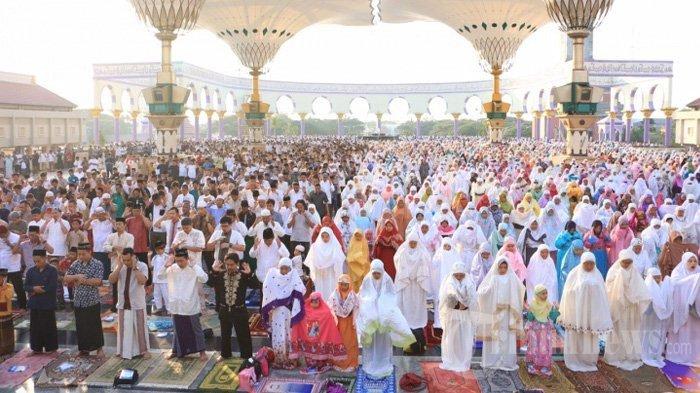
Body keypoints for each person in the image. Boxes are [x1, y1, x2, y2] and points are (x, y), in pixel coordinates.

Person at [357, 260, 415, 378]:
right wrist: (371, 305)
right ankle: (370, 364)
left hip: (384, 320)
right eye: (374, 273)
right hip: (371, 320)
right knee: (371, 343)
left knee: (383, 342)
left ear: (382, 272)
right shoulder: (367, 280)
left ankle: (383, 363)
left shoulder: (387, 280)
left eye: (379, 273)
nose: (376, 275)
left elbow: (392, 297)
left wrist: (383, 308)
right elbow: (362, 297)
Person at [558, 251, 613, 372]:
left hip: (591, 314)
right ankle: (574, 360)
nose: (589, 266)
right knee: (576, 336)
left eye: (591, 264)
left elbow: (603, 297)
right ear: (582, 263)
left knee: (589, 337)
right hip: (576, 314)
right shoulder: (574, 274)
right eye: (586, 264)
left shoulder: (598, 276)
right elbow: (567, 294)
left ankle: (588, 361)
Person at [157, 248, 209, 361]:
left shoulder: (194, 268)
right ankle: (176, 350)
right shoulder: (172, 268)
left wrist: (194, 265)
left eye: (182, 260)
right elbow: (159, 277)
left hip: (190, 305)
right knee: (177, 329)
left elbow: (204, 279)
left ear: (187, 259)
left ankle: (202, 352)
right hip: (176, 304)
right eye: (177, 260)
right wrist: (166, 265)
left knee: (196, 329)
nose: (179, 263)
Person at [476, 256, 525, 371]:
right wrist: (481, 294)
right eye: (501, 267)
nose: (502, 269)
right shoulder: (493, 278)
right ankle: (493, 360)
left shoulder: (512, 278)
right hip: (495, 313)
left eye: (504, 267)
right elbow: (484, 291)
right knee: (495, 335)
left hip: (508, 313)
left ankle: (507, 361)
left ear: (508, 267)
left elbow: (520, 289)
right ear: (497, 267)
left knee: (507, 335)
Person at [210, 253, 255, 360]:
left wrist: (250, 274)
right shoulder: (221, 275)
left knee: (243, 334)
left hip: (239, 310)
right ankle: (225, 354)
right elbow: (210, 283)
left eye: (232, 265)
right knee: (225, 334)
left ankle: (246, 356)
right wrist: (214, 271)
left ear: (237, 264)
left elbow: (255, 285)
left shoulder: (243, 275)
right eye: (227, 265)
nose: (229, 267)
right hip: (224, 309)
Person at [64, 242, 105, 356]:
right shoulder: (76, 264)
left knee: (94, 325)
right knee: (81, 326)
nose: (80, 256)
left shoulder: (97, 264)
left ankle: (99, 348)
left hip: (92, 300)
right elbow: (66, 278)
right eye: (79, 254)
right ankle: (84, 349)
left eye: (83, 254)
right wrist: (76, 277)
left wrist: (83, 281)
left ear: (90, 252)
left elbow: (98, 281)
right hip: (78, 301)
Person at [109, 247, 150, 359]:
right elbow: (111, 280)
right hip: (123, 302)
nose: (126, 262)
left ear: (133, 257)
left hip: (137, 302)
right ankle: (123, 351)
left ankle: (143, 351)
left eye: (128, 260)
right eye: (124, 260)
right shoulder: (121, 265)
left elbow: (142, 281)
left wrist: (135, 267)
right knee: (124, 329)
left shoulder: (142, 266)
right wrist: (118, 267)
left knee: (139, 328)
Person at [393, 232, 430, 355]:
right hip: (407, 285)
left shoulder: (422, 253)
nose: (413, 245)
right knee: (406, 306)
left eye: (415, 243)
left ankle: (419, 339)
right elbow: (397, 261)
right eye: (411, 243)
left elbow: (427, 263)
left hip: (418, 286)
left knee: (417, 307)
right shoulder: (403, 252)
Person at [290, 291, 347, 372]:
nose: (314, 302)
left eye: (316, 300)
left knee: (320, 357)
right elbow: (299, 321)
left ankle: (320, 366)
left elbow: (330, 324)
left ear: (320, 300)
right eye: (312, 301)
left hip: (321, 338)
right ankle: (311, 366)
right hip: (308, 338)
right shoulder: (304, 311)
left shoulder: (326, 312)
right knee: (309, 355)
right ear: (310, 300)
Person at [438, 262, 476, 372]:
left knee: (464, 337)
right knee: (452, 337)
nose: (459, 277)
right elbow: (449, 292)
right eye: (457, 275)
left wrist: (466, 303)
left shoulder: (469, 281)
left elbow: (472, 297)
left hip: (465, 315)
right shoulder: (449, 281)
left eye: (461, 275)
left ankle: (463, 360)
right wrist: (456, 299)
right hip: (453, 314)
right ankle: (451, 360)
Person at [666, 252, 700, 366]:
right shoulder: (678, 271)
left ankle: (694, 355)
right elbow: (675, 284)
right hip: (682, 308)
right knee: (683, 331)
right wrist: (692, 280)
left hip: (695, 310)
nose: (693, 263)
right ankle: (680, 354)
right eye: (690, 261)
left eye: (695, 261)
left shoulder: (698, 272)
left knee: (695, 332)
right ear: (685, 262)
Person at [641, 267, 673, 368]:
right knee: (648, 335)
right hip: (649, 319)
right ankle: (646, 354)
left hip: (659, 321)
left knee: (658, 336)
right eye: (654, 278)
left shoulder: (664, 287)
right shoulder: (646, 287)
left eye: (659, 277)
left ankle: (655, 354)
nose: (657, 280)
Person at [524, 285, 559, 376]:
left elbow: (551, 317)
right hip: (535, 331)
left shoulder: (548, 305)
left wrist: (556, 309)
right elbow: (530, 318)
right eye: (543, 294)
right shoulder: (532, 305)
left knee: (544, 347)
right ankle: (531, 364)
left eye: (546, 293)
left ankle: (544, 366)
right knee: (533, 346)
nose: (545, 295)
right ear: (537, 295)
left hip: (545, 331)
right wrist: (529, 312)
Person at [329, 274, 359, 372]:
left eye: (345, 284)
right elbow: (329, 306)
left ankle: (351, 363)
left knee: (349, 344)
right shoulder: (334, 295)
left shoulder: (352, 295)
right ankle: (338, 364)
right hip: (338, 324)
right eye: (341, 284)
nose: (343, 286)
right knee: (339, 344)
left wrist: (352, 317)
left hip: (349, 324)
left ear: (349, 285)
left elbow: (357, 307)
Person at [304, 227, 344, 300]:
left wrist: (333, 263)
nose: (325, 238)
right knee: (320, 289)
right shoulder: (315, 246)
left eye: (327, 236)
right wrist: (318, 265)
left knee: (330, 289)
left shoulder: (335, 246)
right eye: (322, 236)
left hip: (331, 272)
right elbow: (311, 259)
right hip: (320, 273)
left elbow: (339, 259)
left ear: (330, 236)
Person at [554, 221, 582, 298]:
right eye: (571, 228)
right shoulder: (562, 234)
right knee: (563, 275)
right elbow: (557, 244)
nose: (572, 230)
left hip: (575, 257)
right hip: (563, 256)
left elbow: (580, 244)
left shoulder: (577, 235)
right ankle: (562, 295)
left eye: (573, 228)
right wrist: (566, 237)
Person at [150, 242, 169, 315]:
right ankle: (159, 308)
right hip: (156, 279)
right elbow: (151, 266)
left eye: (161, 248)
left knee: (166, 295)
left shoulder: (167, 257)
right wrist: (149, 256)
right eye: (157, 249)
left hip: (164, 279)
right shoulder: (155, 257)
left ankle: (169, 309)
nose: (159, 250)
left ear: (164, 248)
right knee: (156, 294)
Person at [0, 269, 14, 355]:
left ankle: (8, 350)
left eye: (2, 278)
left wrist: (4, 288)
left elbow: (9, 296)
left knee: (7, 333)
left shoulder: (10, 286)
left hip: (6, 315)